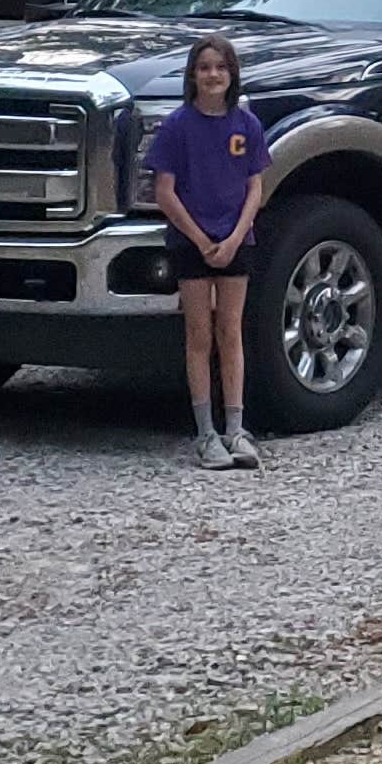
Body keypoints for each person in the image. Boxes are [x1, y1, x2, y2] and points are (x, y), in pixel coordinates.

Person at [141, 35, 273, 470]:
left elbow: (256, 185)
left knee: (230, 332)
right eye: (204, 67)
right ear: (192, 75)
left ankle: (236, 428)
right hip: (191, 242)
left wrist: (236, 237)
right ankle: (205, 432)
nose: (213, 75)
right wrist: (201, 240)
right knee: (199, 334)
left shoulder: (246, 125)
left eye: (220, 67)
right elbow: (165, 190)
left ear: (231, 73)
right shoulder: (177, 126)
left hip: (235, 240)